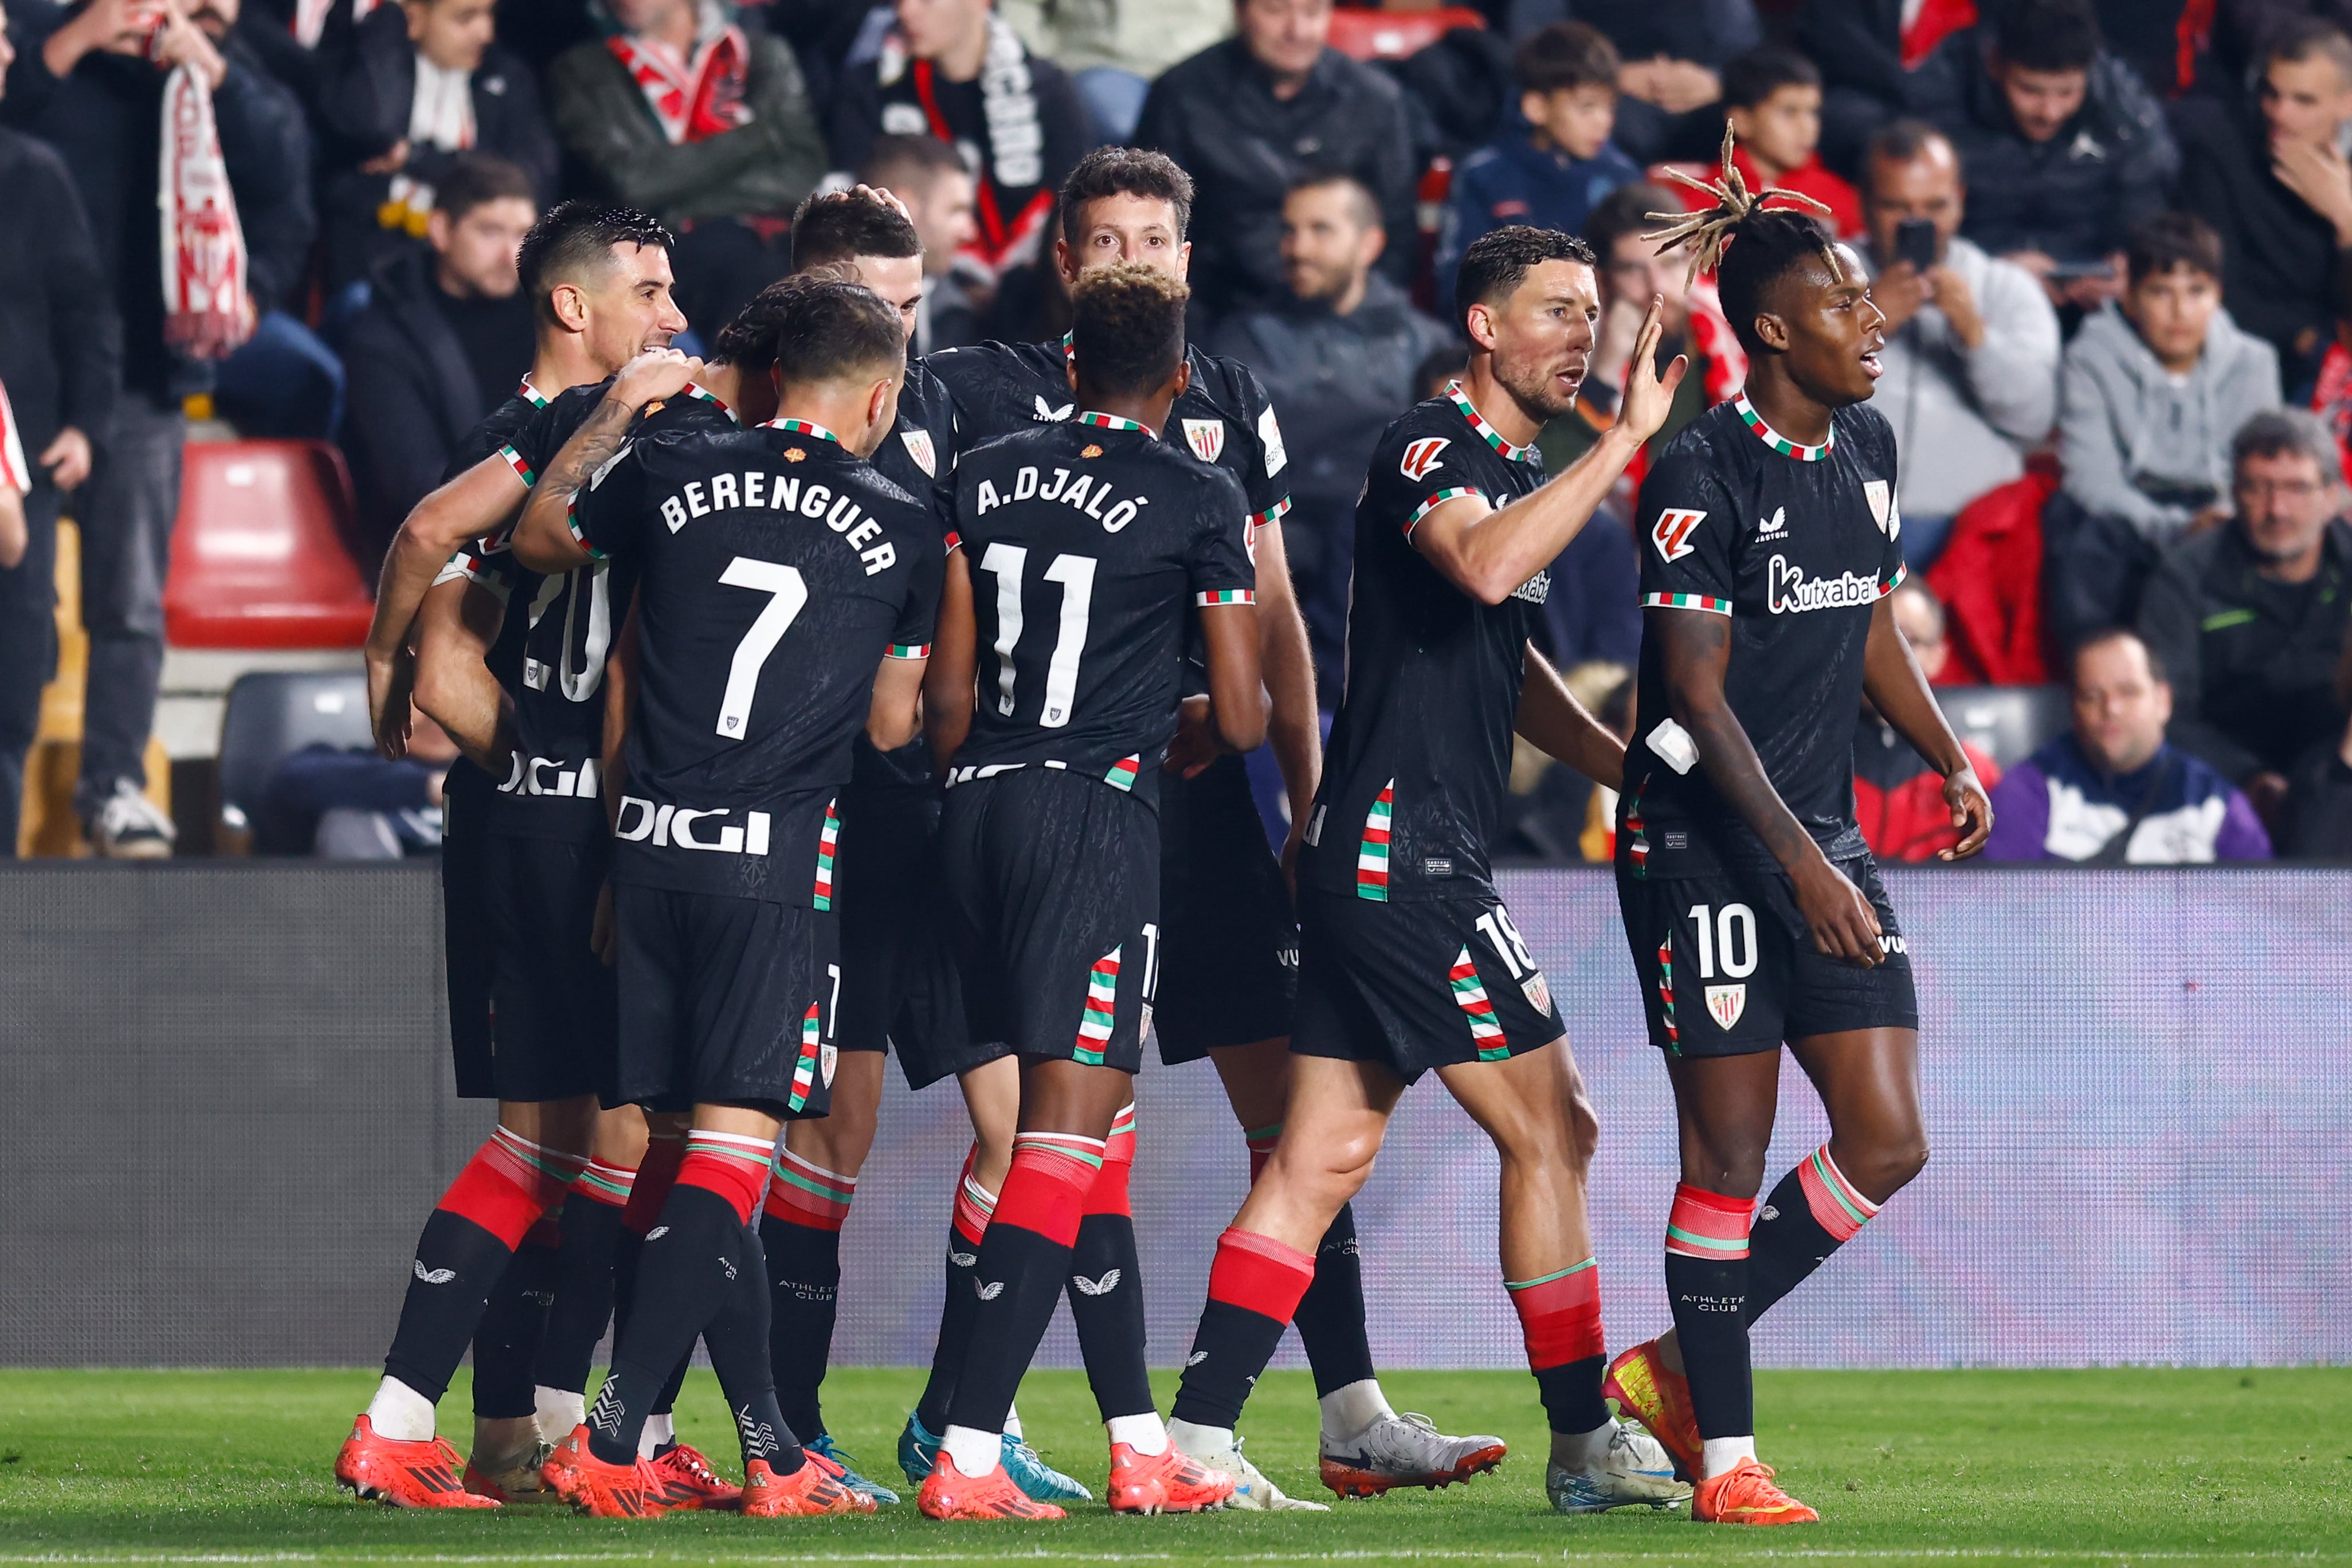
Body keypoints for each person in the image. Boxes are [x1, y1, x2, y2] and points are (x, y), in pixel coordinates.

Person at [926, 146, 1498, 1509]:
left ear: (1184, 260)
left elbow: (1284, 612)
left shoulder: (1231, 398)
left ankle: (1343, 1406)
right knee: (1059, 1130)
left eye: (1151, 240)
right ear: (1063, 262)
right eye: (1104, 239)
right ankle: (995, 1422)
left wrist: (1307, 801)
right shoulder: (979, 398)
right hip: (1075, 800)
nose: (1129, 259)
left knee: (1290, 1113)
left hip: (1191, 818)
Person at [1163, 224, 1691, 1521]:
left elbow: (1505, 662)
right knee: (1550, 1122)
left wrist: (1625, 763)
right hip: (1409, 855)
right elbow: (1489, 563)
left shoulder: (1503, 462)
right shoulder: (1427, 446)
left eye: (1590, 312)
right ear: (1484, 327)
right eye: (1556, 312)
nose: (1580, 333)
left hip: (1393, 853)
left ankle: (1189, 1441)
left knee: (1323, 1150)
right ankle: (1582, 1439)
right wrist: (1622, 443)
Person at [1606, 146, 1992, 1526]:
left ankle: (1664, 1366)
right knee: (1726, 1146)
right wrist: (1801, 861)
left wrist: (1946, 749)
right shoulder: (1699, 473)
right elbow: (1694, 697)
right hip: (1702, 841)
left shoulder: (1869, 448)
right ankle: (1726, 1465)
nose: (1872, 316)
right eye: (1841, 300)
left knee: (1886, 1137)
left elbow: (1869, 620)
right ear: (1771, 329)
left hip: (1816, 832)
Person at [513, 281, 939, 1521]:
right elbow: (890, 720)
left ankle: (774, 1454)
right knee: (737, 1157)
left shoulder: (672, 467)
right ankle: (607, 1437)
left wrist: (613, 419)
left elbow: (545, 536)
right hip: (771, 870)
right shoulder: (904, 518)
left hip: (645, 853)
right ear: (877, 396)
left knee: (701, 1157)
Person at [332, 201, 713, 1514]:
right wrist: (558, 770)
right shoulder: (526, 442)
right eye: (652, 290)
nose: (674, 317)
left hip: (557, 820)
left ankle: (526, 1427)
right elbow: (444, 645)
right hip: (542, 835)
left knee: (589, 1131)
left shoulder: (595, 448)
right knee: (567, 1135)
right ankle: (495, 1416)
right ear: (574, 304)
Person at [912, 262, 1261, 1522]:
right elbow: (1242, 707)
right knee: (1065, 1138)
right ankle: (962, 1454)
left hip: (971, 807)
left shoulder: (987, 472)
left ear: (1067, 369)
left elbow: (946, 701)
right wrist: (1192, 734)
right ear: (1177, 383)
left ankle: (1135, 1444)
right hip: (1092, 823)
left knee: (1086, 1134)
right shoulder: (1197, 489)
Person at [6, 0, 309, 857]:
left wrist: (257, 292)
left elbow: (288, 180)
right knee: (13, 599)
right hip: (25, 377)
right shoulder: (36, 33)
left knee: (130, 597)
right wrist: (80, 36)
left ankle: (113, 789)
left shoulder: (224, 62)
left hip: (144, 372)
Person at [1212, 171, 1453, 702]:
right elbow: (1235, 445)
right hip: (1277, 534)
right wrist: (1375, 421)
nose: (1298, 249)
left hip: (1382, 537)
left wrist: (1306, 419)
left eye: (1320, 230)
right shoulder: (1244, 334)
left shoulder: (1424, 342)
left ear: (1370, 244)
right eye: (1290, 231)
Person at [2051, 214, 2283, 645]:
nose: (2180, 312)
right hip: (2128, 516)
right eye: (2161, 292)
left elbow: (2258, 466)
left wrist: (2222, 519)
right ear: (2133, 299)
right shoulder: (2091, 357)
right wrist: (2173, 529)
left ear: (2219, 296)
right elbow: (2092, 478)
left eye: (2197, 292)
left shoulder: (2254, 362)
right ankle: (2101, 673)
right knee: (2081, 535)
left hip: (2222, 510)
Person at [0, 6, 117, 861]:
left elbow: (86, 311)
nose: (10, 52)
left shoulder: (33, 173)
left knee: (8, 701)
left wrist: (85, 425)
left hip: (22, 467)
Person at [548, 0, 828, 331]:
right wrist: (759, 135)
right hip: (671, 251)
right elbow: (636, 184)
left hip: (776, 238)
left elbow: (805, 168)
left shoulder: (762, 54)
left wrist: (687, 195)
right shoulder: (581, 71)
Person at [1856, 119, 2059, 564]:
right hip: (1843, 528)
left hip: (1973, 539)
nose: (1917, 223)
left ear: (1960, 202)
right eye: (1898, 207)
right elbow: (1777, 395)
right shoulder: (1822, 277)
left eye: (1935, 205)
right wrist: (1868, 320)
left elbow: (2035, 420)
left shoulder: (2007, 287)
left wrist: (1975, 335)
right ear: (1866, 204)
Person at [1135, 0, 1418, 319]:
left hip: (1346, 315)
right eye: (1275, 10)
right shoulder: (1180, 96)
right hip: (1219, 313)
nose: (1296, 31)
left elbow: (1398, 232)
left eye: (1312, 12)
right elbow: (1152, 230)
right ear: (1240, 13)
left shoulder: (1376, 100)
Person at [2137, 409, 2351, 823]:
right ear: (2233, 495)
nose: (2277, 509)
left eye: (2296, 488)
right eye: (2258, 488)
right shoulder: (2184, 577)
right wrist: (2246, 778)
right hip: (2216, 794)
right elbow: (2164, 710)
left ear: (2331, 497)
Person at [1908, 0, 2179, 311]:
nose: (2050, 113)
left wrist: (2130, 266)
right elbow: (1910, 230)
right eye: (2031, 90)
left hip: (2092, 308)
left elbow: (2145, 203)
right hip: (1966, 297)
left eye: (2067, 92)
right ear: (1995, 64)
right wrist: (1993, 271)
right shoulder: (1936, 104)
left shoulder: (2123, 111)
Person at [340, 154, 539, 556]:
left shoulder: (550, 319)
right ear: (441, 231)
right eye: (490, 232)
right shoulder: (382, 337)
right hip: (438, 560)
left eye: (524, 235)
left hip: (540, 543)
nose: (511, 254)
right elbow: (418, 485)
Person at [829, 0, 1087, 288]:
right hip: (913, 288)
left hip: (1034, 290)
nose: (905, 10)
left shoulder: (1048, 91)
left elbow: (1072, 206)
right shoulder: (870, 88)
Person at [314, 0, 556, 291]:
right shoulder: (376, 67)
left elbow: (530, 177)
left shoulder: (506, 77)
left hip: (478, 273)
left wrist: (417, 158)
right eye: (465, 18)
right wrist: (391, 24)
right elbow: (370, 128)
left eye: (489, 14)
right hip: (371, 259)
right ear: (415, 17)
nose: (486, 33)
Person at [1985, 629, 2273, 860]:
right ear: (2073, 708)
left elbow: (2262, 914)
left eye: (2129, 692)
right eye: (2092, 696)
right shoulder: (2031, 788)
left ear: (2163, 701)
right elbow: (1994, 910)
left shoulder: (2215, 803)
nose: (2111, 709)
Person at [2176, 17, 2352, 394]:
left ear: (2347, 104)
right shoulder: (2219, 153)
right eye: (2272, 94)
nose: (2280, 114)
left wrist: (2348, 222)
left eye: (2304, 100)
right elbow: (2218, 286)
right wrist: (2303, 337)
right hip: (2261, 356)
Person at [1437, 22, 1641, 319]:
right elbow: (1458, 287)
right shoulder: (1485, 177)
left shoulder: (1622, 178)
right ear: (1536, 108)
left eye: (1609, 108)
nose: (1604, 122)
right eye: (1587, 108)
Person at [1855, 581, 2005, 861]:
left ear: (1938, 657)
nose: (1880, 655)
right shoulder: (1811, 765)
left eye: (1905, 640)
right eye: (1866, 636)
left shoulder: (1977, 775)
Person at [1668, 46, 1861, 238]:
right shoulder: (1701, 200)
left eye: (1813, 112)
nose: (1808, 127)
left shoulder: (1838, 198)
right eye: (1789, 112)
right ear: (1741, 121)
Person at [1540, 0, 1765, 164]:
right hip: (1607, 94)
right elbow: (1537, 46)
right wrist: (1611, 75)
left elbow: (1752, 58)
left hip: (1707, 101)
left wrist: (1717, 82)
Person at [255, 716, 457, 858]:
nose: (435, 715)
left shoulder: (485, 780)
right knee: (347, 821)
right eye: (418, 693)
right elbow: (294, 780)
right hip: (379, 908)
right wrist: (426, 786)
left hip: (469, 907)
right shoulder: (341, 768)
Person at [855, 134, 982, 354]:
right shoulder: (811, 307)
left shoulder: (965, 309)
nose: (970, 232)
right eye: (956, 211)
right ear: (904, 206)